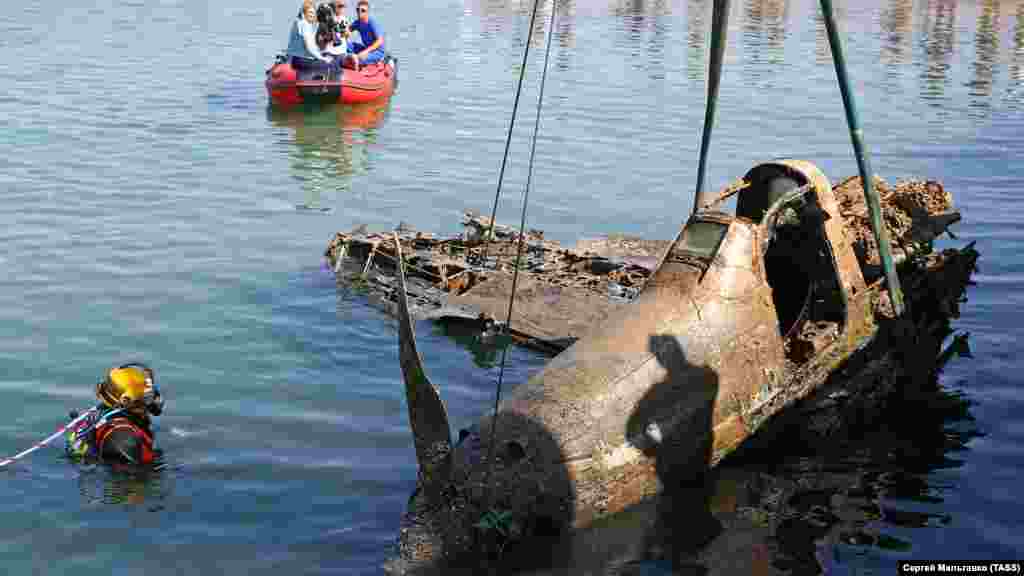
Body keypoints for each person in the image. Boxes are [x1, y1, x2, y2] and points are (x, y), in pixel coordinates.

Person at [65, 363, 164, 467]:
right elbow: (135, 478)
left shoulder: (102, 414)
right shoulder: (126, 440)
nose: (153, 400)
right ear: (128, 401)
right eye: (147, 397)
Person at [285, 0, 342, 71]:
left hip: (296, 59)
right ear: (304, 14)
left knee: (329, 59)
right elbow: (308, 47)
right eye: (310, 12)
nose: (312, 15)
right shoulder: (304, 24)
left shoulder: (297, 22)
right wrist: (322, 58)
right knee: (335, 64)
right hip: (302, 60)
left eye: (313, 13)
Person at [348, 0, 387, 67]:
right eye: (358, 10)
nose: (359, 12)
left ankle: (378, 60)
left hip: (377, 52)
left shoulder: (372, 23)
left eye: (363, 10)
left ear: (367, 12)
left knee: (360, 58)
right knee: (347, 45)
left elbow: (380, 41)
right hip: (366, 48)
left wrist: (366, 52)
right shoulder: (357, 22)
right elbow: (347, 30)